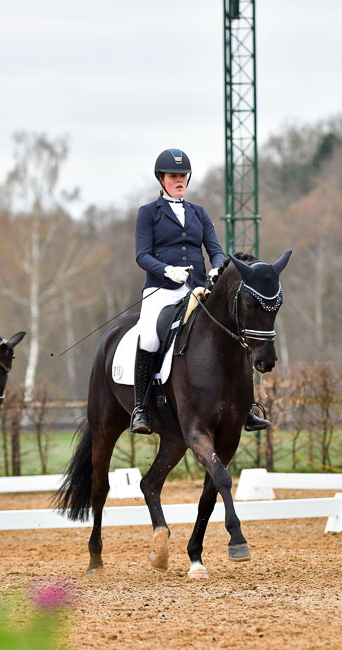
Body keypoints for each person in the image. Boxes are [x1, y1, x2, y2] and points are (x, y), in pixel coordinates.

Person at [131, 147, 271, 435]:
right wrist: (167, 270)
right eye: (173, 176)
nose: (179, 180)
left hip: (197, 290)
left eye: (183, 176)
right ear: (161, 179)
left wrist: (216, 268)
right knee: (148, 337)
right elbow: (142, 255)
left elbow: (216, 250)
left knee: (234, 331)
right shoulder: (148, 213)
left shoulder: (199, 212)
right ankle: (141, 408)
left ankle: (247, 406)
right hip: (161, 290)